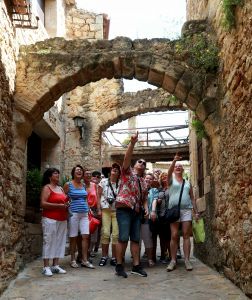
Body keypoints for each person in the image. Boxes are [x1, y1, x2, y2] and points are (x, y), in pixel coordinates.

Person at [115, 132, 148, 278]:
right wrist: (132, 143)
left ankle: (136, 266)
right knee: (123, 237)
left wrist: (146, 208)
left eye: (144, 163)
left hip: (136, 212)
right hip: (124, 209)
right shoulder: (127, 173)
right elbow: (126, 158)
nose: (142, 163)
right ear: (135, 165)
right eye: (140, 161)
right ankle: (119, 266)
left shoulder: (143, 181)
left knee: (135, 238)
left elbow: (144, 198)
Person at [166, 154, 200, 272]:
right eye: (176, 166)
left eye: (180, 166)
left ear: (183, 169)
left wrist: (196, 212)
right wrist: (174, 161)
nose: (178, 167)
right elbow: (169, 172)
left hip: (186, 210)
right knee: (174, 235)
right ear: (174, 169)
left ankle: (186, 260)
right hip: (174, 210)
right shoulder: (170, 180)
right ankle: (173, 260)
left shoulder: (187, 183)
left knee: (186, 234)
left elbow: (192, 198)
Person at [63, 165, 95, 269]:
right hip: (74, 214)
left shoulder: (83, 185)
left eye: (81, 170)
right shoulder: (68, 184)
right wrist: (67, 208)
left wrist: (88, 208)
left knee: (85, 236)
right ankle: (72, 259)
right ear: (73, 173)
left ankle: (84, 260)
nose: (79, 171)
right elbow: (64, 198)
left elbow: (85, 198)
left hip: (84, 214)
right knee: (73, 237)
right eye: (77, 170)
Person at [40, 168, 68, 276]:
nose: (58, 174)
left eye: (58, 173)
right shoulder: (47, 188)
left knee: (60, 241)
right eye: (55, 173)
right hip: (49, 218)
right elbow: (43, 203)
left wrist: (66, 204)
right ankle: (46, 267)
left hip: (62, 219)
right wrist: (59, 206)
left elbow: (63, 202)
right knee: (49, 241)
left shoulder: (60, 188)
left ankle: (55, 265)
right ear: (49, 176)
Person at [98, 163, 121, 266]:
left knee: (116, 235)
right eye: (113, 168)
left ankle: (114, 257)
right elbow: (98, 196)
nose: (115, 170)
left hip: (117, 210)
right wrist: (98, 209)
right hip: (106, 209)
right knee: (106, 233)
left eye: (117, 169)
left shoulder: (121, 183)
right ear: (110, 171)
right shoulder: (103, 182)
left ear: (119, 172)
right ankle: (104, 256)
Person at [151, 172, 171, 264]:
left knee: (170, 237)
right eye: (162, 176)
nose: (164, 178)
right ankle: (163, 255)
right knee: (162, 237)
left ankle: (171, 255)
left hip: (170, 215)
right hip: (161, 215)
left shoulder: (172, 188)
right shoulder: (158, 189)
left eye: (166, 176)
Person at [141, 173, 159, 267]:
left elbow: (155, 200)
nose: (148, 180)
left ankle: (150, 259)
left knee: (148, 238)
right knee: (136, 239)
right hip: (137, 216)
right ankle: (137, 259)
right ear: (144, 179)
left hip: (147, 218)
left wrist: (153, 211)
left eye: (150, 179)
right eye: (146, 178)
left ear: (152, 181)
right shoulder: (139, 188)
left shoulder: (154, 190)